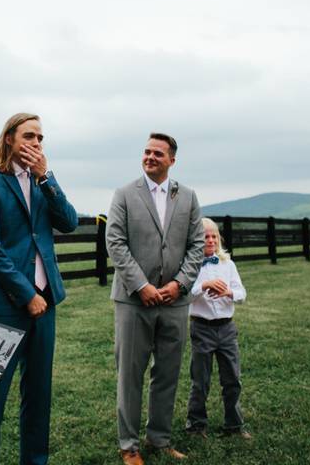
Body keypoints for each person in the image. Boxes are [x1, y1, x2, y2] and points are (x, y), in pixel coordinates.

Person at [0, 112, 78, 465]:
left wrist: (47, 178)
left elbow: (70, 222)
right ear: (9, 140)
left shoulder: (43, 182)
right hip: (3, 305)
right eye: (29, 136)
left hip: (46, 303)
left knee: (38, 393)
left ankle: (35, 460)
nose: (36, 143)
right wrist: (25, 293)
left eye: (40, 138)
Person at [106, 132, 205, 465]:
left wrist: (179, 284)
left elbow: (195, 246)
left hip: (175, 302)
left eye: (157, 154)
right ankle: (129, 445)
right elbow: (115, 243)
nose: (150, 157)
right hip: (134, 302)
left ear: (172, 160)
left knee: (168, 372)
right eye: (146, 152)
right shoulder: (124, 194)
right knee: (130, 374)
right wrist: (141, 286)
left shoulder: (187, 197)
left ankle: (160, 439)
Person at [185, 217, 251, 439]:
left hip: (227, 329)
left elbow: (241, 294)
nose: (210, 240)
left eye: (214, 236)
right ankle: (196, 425)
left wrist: (228, 293)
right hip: (201, 328)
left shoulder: (228, 265)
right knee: (200, 379)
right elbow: (185, 294)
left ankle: (234, 425)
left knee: (232, 378)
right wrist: (204, 285)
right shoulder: (190, 266)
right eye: (205, 237)